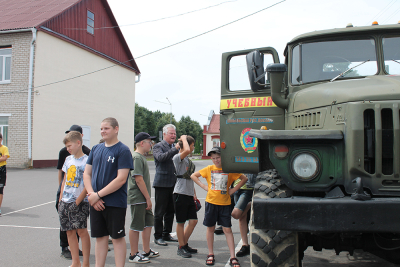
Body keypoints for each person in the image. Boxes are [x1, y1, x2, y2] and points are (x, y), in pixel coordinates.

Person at [83, 117, 133, 267]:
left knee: (117, 238)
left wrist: (98, 195)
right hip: (96, 202)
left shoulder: (123, 150)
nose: (103, 131)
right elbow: (87, 174)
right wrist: (92, 195)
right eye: (101, 129)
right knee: (100, 238)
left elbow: (121, 179)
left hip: (114, 203)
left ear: (116, 129)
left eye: (106, 128)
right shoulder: (95, 149)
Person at [190, 147, 248, 267]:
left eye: (218, 157)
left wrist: (233, 190)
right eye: (213, 158)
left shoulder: (229, 170)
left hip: (225, 204)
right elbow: (193, 176)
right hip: (211, 203)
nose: (216, 160)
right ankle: (210, 254)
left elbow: (244, 178)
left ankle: (233, 256)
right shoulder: (209, 169)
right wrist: (204, 186)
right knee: (210, 228)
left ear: (223, 157)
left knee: (227, 230)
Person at [56, 125, 90, 259]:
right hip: (65, 201)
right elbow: (64, 180)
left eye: (69, 146)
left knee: (81, 232)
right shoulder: (68, 159)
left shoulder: (87, 160)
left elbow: (88, 184)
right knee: (69, 232)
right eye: (66, 147)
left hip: (79, 202)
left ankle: (85, 262)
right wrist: (60, 199)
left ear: (78, 142)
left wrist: (77, 201)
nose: (68, 149)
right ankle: (75, 261)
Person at [128, 132, 159, 263]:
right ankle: (133, 254)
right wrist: (147, 198)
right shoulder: (137, 158)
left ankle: (146, 250)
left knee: (148, 222)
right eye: (149, 142)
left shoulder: (141, 157)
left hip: (143, 197)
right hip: (138, 197)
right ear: (142, 143)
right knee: (136, 225)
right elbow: (138, 179)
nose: (151, 144)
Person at [152, 124, 179, 246]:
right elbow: (161, 158)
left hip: (173, 183)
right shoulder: (158, 146)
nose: (173, 135)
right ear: (164, 134)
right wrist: (175, 149)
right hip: (162, 184)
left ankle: (166, 233)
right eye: (171, 133)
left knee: (170, 211)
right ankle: (157, 236)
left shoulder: (175, 147)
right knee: (159, 212)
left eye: (174, 133)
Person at [172, 135, 198, 258]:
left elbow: (189, 177)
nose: (193, 147)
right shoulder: (178, 157)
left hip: (188, 194)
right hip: (180, 193)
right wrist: (183, 138)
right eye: (192, 145)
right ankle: (181, 247)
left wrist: (194, 194)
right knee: (181, 222)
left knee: (193, 221)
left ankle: (184, 244)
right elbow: (186, 150)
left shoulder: (187, 159)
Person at [231, 173, 256, 257]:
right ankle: (245, 245)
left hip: (248, 187)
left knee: (236, 214)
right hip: (236, 188)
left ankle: (252, 203)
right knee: (242, 218)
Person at [0, 133, 10, 216]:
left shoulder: (4, 148)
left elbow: (5, 158)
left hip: (2, 170)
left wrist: (3, 158)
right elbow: (2, 158)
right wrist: (1, 158)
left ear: (1, 139)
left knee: (0, 189)